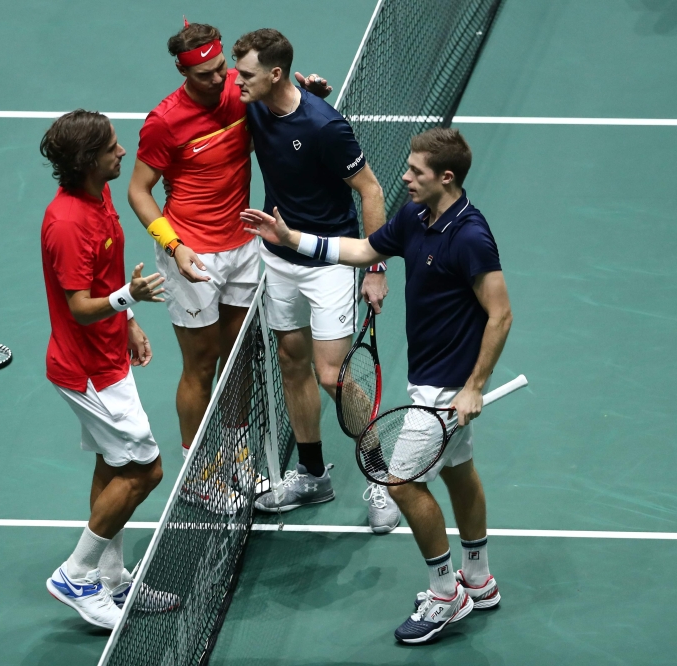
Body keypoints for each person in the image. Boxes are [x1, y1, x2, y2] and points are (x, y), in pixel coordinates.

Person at [242, 127, 513, 643]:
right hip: (429, 376)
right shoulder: (415, 215)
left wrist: (475, 385)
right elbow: (364, 250)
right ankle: (477, 579)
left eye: (416, 171)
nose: (405, 177)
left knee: (400, 482)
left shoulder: (471, 236)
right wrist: (292, 239)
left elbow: (500, 316)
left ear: (446, 178)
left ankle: (444, 594)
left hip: (447, 389)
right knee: (458, 472)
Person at [128, 20, 334, 509]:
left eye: (223, 70)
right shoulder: (164, 121)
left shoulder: (239, 94)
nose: (220, 82)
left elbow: (283, 101)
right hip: (191, 252)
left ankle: (237, 455)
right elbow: (138, 191)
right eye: (205, 76)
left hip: (242, 245)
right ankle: (199, 472)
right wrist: (175, 247)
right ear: (183, 71)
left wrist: (309, 93)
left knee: (239, 357)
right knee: (201, 364)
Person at [231, 28, 399, 531]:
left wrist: (374, 267)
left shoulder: (325, 126)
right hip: (278, 255)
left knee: (332, 375)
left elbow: (371, 190)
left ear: (275, 74)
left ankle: (381, 477)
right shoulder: (255, 104)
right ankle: (311, 475)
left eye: (245, 74)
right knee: (291, 362)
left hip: (330, 261)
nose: (236, 83)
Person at [40, 110, 169, 629]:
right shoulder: (68, 223)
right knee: (146, 469)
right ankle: (76, 574)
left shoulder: (100, 194)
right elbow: (79, 304)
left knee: (116, 466)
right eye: (114, 147)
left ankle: (110, 581)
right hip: (87, 369)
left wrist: (130, 318)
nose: (123, 153)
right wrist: (125, 298)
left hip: (110, 354)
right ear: (89, 160)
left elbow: (106, 277)